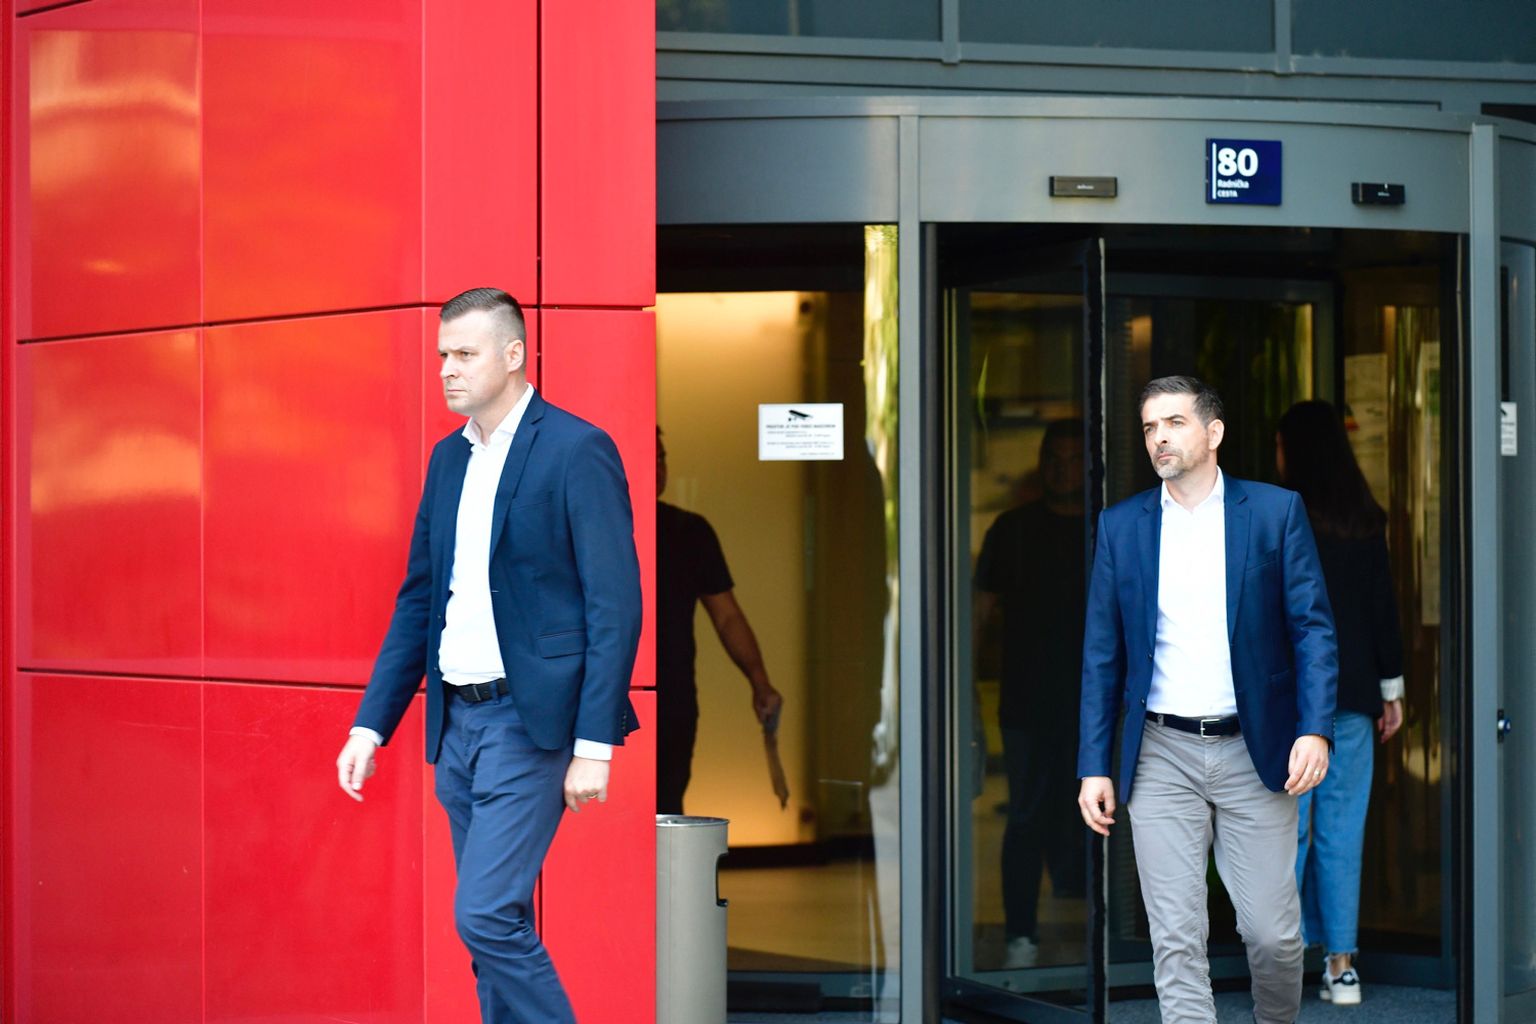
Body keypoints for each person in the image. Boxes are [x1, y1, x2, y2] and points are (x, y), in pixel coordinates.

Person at [334, 287, 642, 1024]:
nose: (447, 368)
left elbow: (615, 606)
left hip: (529, 725)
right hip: (458, 728)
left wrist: (594, 746)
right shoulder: (449, 459)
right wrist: (370, 725)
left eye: (465, 354)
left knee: (484, 916)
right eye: (443, 354)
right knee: (495, 932)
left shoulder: (576, 449)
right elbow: (419, 600)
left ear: (513, 355)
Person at [1076, 375, 1338, 1024]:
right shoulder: (1121, 527)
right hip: (1160, 752)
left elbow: (1312, 630)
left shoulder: (1274, 512)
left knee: (1273, 936)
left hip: (1256, 749)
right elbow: (1102, 654)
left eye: (1174, 423)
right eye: (1149, 427)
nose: (1158, 438)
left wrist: (1315, 728)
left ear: (1213, 432)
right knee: (1176, 936)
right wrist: (1094, 765)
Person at [1277, 400, 1405, 1007]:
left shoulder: (1280, 516)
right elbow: (1382, 609)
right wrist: (1391, 689)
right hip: (1354, 696)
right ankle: (1342, 967)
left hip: (1292, 702)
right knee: (1341, 833)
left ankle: (1281, 962)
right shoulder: (1363, 518)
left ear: (1293, 451)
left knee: (1287, 834)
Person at [973, 419, 1088, 969]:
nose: (1062, 469)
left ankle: (1105, 939)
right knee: (1025, 817)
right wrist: (964, 689)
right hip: (1026, 700)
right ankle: (1021, 934)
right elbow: (979, 614)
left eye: (1072, 459)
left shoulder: (1108, 529)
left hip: (1096, 703)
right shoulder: (1012, 530)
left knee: (1099, 816)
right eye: (1053, 458)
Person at [656, 428, 783, 814]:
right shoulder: (596, 526)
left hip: (672, 698)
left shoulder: (688, 532)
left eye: (662, 458)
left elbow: (727, 616)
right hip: (600, 695)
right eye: (648, 458)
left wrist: (759, 681)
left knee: (666, 808)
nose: (658, 468)